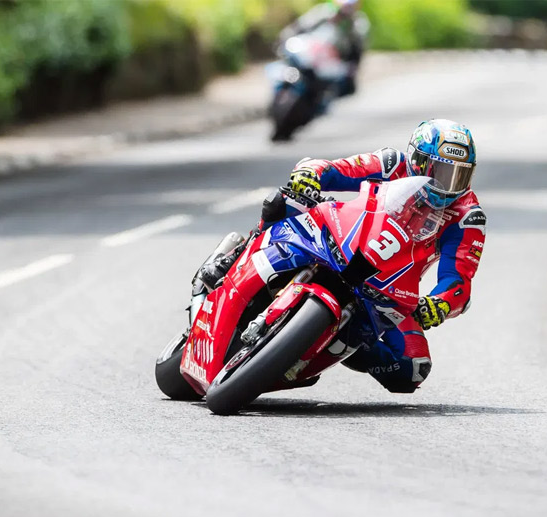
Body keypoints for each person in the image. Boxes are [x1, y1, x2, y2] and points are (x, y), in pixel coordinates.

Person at [200, 119, 486, 394]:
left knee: (412, 368)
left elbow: (457, 281)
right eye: (439, 172)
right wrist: (310, 173)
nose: (448, 186)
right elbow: (335, 169)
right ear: (417, 161)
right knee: (287, 200)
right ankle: (234, 258)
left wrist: (439, 304)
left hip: (388, 286)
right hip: (342, 239)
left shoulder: (467, 216)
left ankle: (339, 343)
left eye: (459, 176)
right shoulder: (391, 164)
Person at [278, 0, 369, 97]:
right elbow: (301, 25)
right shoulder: (324, 12)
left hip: (333, 62)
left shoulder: (357, 24)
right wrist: (284, 38)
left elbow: (358, 48)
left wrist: (352, 67)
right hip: (311, 52)